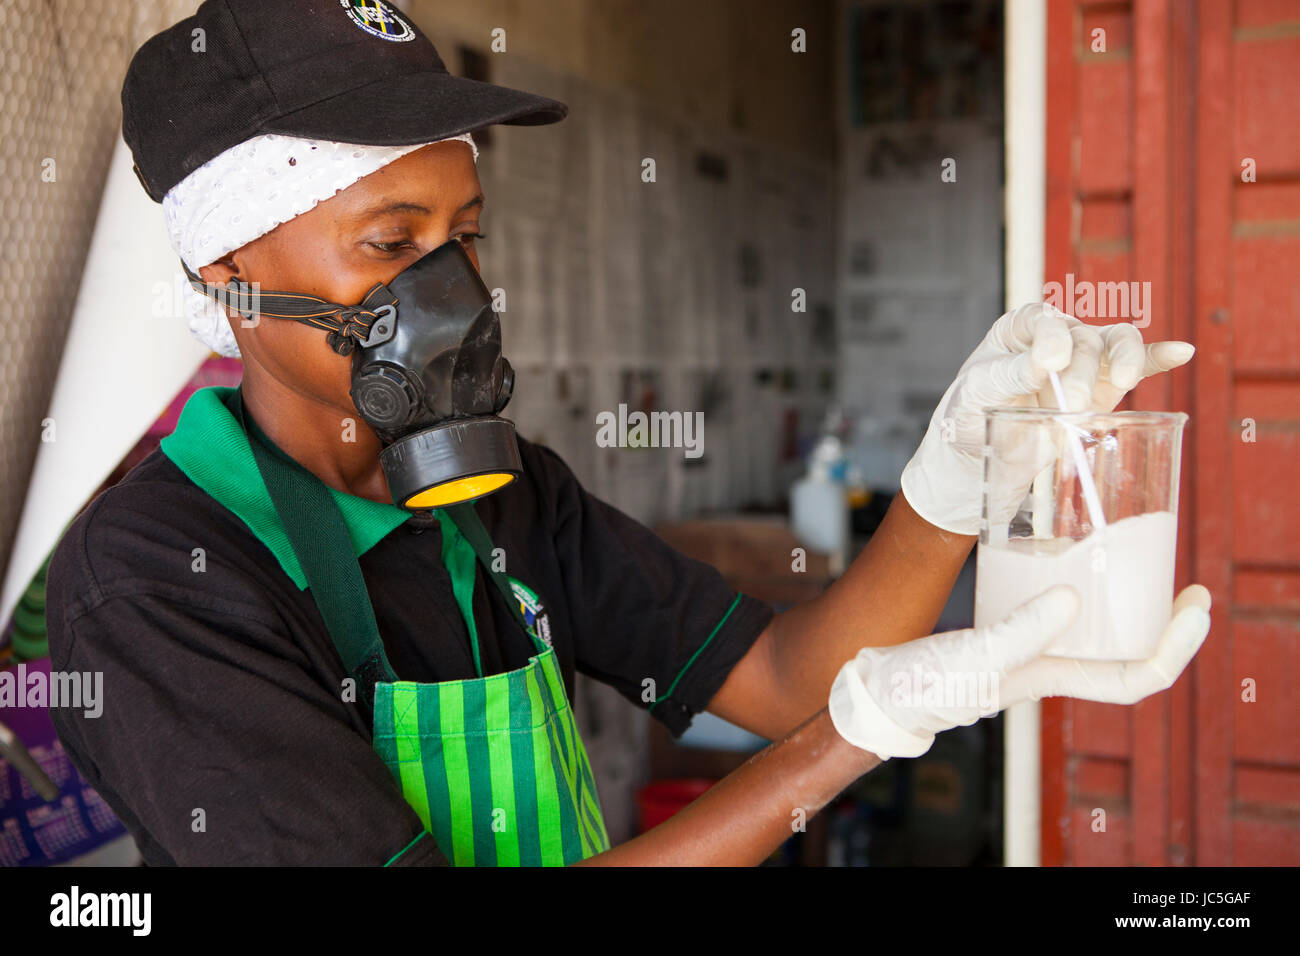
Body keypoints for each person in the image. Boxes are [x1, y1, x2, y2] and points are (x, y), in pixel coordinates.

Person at [45, 0, 1210, 867]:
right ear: (231, 278)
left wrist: (953, 478)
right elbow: (823, 720)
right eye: (393, 244)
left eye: (465, 236)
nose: (454, 291)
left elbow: (784, 679)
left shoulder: (508, 498)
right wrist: (858, 738)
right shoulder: (156, 579)